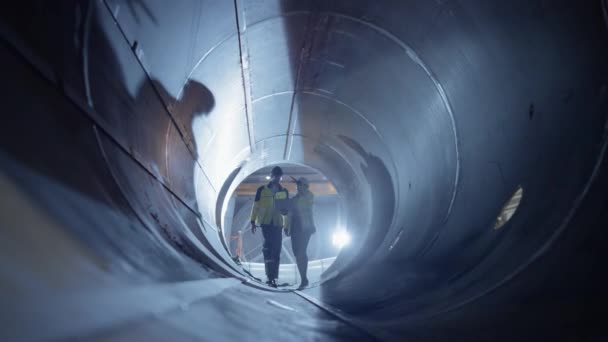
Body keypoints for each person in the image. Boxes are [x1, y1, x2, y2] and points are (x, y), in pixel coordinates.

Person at [250, 166, 289, 288]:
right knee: (268, 248)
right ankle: (269, 276)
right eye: (275, 176)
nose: (277, 179)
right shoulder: (262, 189)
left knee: (276, 249)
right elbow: (256, 206)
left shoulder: (284, 191)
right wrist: (252, 221)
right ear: (271, 176)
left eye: (279, 176)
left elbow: (286, 211)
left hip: (277, 223)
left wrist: (287, 226)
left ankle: (274, 277)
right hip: (266, 223)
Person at [286, 177, 316, 289]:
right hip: (295, 228)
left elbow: (306, 206)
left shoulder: (309, 196)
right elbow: (290, 215)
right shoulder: (294, 199)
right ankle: (303, 277)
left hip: (305, 228)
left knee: (301, 252)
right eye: (298, 185)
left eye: (300, 185)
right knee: (297, 253)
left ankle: (304, 279)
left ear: (305, 186)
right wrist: (286, 227)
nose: (298, 187)